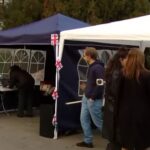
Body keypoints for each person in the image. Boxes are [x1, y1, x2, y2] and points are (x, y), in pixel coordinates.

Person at [117, 48, 150, 150]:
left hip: (125, 113)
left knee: (126, 144)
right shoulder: (147, 75)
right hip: (143, 114)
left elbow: (117, 95)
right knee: (142, 144)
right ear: (141, 59)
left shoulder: (122, 74)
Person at [76, 47, 104, 148]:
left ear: (89, 55)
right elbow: (95, 83)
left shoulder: (97, 67)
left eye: (84, 54)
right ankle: (88, 141)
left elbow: (101, 84)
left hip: (93, 100)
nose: (83, 56)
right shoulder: (92, 66)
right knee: (83, 119)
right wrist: (86, 87)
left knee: (99, 123)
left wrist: (92, 97)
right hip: (86, 98)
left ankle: (116, 141)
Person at [102, 48, 129, 150]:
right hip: (116, 113)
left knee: (114, 142)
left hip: (111, 112)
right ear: (121, 59)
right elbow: (115, 95)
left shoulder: (112, 71)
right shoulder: (118, 73)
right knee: (116, 142)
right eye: (128, 59)